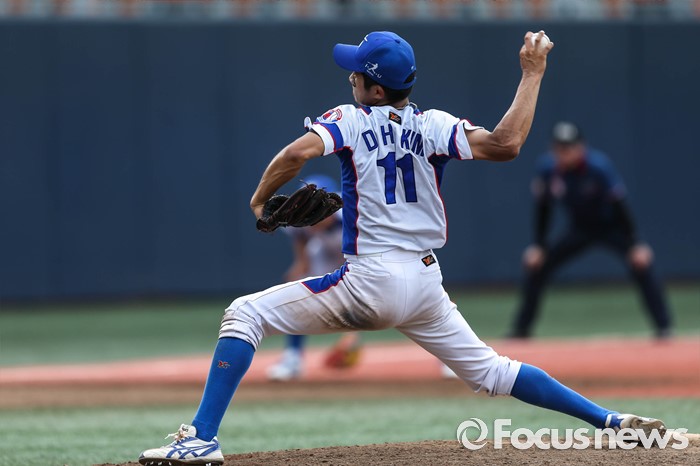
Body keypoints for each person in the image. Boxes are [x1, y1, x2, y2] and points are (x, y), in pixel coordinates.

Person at [139, 30, 666, 466]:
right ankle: (611, 421)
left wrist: (259, 202)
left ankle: (201, 439)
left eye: (357, 73)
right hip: (425, 284)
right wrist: (532, 74)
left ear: (374, 89)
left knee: (243, 314)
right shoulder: (434, 124)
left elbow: (296, 155)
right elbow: (506, 144)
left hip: (370, 279)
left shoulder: (349, 119)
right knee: (492, 371)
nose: (350, 77)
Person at [508, 121, 673, 340]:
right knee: (538, 267)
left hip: (611, 227)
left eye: (569, 147)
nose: (564, 153)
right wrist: (539, 245)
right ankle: (521, 330)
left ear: (581, 146)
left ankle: (664, 328)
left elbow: (620, 207)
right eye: (559, 148)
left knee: (642, 264)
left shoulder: (599, 167)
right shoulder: (548, 170)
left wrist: (635, 243)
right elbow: (544, 209)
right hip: (579, 228)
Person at [266, 174, 363, 381]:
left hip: (359, 256)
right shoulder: (297, 215)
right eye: (309, 203)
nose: (312, 209)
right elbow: (299, 238)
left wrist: (351, 335)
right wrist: (301, 263)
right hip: (324, 253)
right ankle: (293, 357)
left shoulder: (352, 215)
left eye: (318, 204)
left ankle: (437, 348)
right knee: (297, 295)